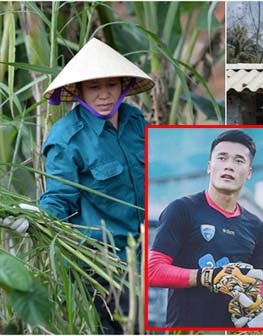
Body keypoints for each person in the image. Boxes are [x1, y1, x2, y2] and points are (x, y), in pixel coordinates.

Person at [1, 37, 154, 334]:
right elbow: (59, 198)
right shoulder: (66, 139)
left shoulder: (137, 121)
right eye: (94, 87)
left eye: (111, 85)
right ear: (80, 91)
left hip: (150, 256)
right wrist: (33, 216)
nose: (104, 95)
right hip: (105, 265)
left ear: (123, 85)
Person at [148, 130, 263, 328]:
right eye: (222, 158)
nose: (229, 165)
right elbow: (153, 271)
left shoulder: (256, 225)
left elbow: (257, 281)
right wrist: (206, 276)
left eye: (239, 160)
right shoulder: (181, 209)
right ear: (209, 167)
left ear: (249, 173)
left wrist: (258, 300)